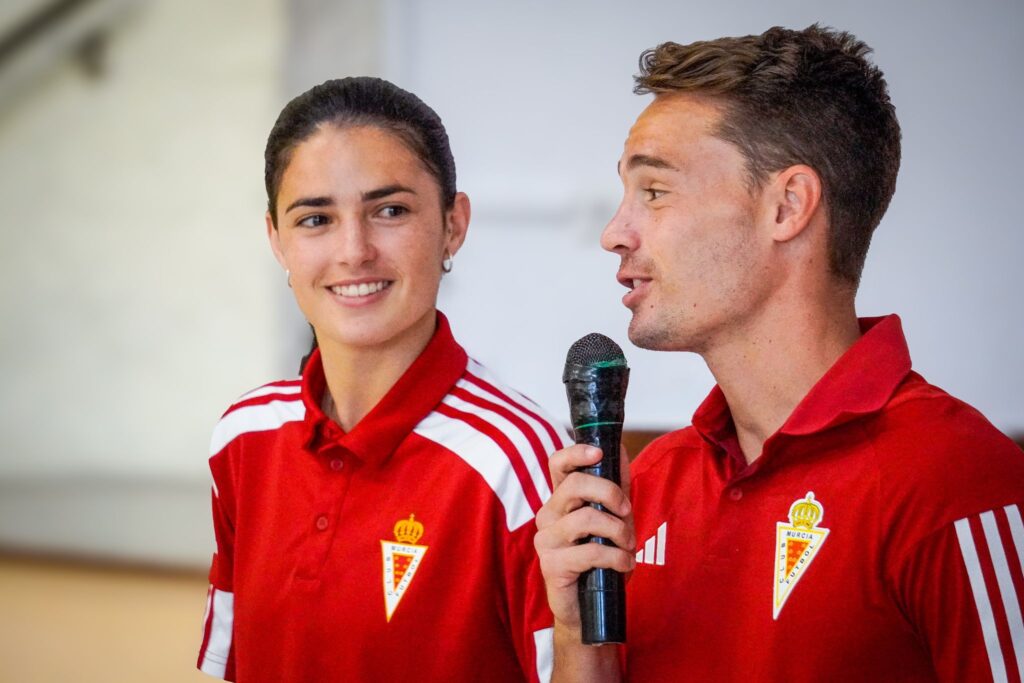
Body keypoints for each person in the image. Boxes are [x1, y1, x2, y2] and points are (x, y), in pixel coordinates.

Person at [535, 25, 1024, 682]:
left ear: (787, 205)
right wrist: (579, 639)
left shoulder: (958, 483)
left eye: (654, 191)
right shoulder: (648, 486)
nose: (614, 233)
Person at [196, 77, 570, 682]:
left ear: (453, 225)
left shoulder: (522, 459)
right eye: (315, 219)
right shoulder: (243, 436)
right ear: (276, 241)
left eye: (389, 211)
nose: (354, 251)